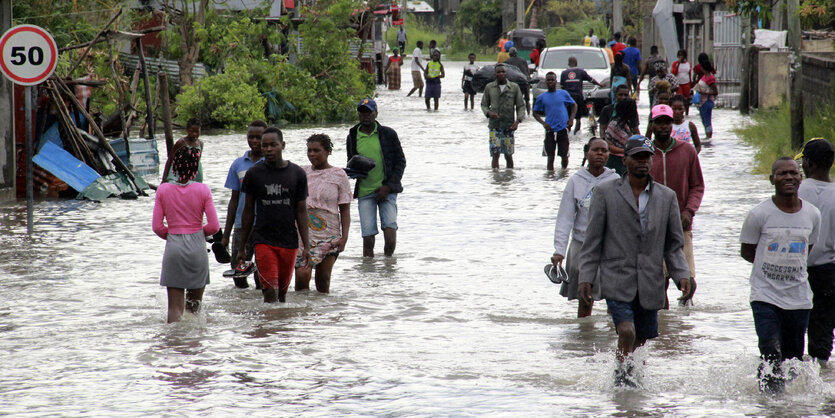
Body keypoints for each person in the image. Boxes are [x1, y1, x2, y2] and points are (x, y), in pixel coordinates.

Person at [578, 135, 692, 387]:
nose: (643, 163)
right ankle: (622, 376)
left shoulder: (667, 197)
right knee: (626, 331)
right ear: (625, 160)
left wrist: (682, 275)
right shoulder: (605, 192)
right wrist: (585, 277)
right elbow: (592, 240)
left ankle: (631, 381)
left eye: (647, 157)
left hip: (650, 280)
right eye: (637, 157)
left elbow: (673, 245)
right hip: (617, 278)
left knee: (642, 339)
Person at [740, 157, 821, 394]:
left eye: (793, 173)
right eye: (782, 173)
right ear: (772, 179)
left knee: (793, 357)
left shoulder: (813, 214)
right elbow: (747, 251)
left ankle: (786, 404)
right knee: (769, 349)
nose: (788, 177)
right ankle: (770, 401)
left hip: (798, 297)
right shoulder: (758, 214)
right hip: (765, 295)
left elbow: (808, 249)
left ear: (801, 178)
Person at [237, 126, 312, 303]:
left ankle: (279, 329)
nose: (269, 149)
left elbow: (301, 210)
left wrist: (306, 246)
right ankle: (267, 328)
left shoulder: (297, 173)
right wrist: (242, 247)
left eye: (273, 145)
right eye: (265, 146)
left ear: (283, 145)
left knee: (283, 295)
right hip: (263, 239)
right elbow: (248, 210)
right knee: (270, 291)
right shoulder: (254, 174)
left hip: (289, 241)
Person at [552, 137, 618, 317]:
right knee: (584, 297)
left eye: (604, 151)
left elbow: (623, 218)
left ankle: (614, 338)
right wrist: (559, 250)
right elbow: (565, 217)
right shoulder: (576, 181)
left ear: (608, 155)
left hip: (609, 248)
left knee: (615, 299)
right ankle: (584, 338)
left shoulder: (616, 180)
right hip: (581, 246)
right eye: (595, 150)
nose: (599, 154)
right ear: (587, 154)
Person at [152, 146, 219, 323]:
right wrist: (196, 233)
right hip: (197, 247)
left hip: (174, 246)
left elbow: (158, 227)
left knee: (174, 308)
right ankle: (195, 344)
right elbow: (214, 226)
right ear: (196, 168)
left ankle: (174, 344)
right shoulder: (203, 190)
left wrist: (174, 236)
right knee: (194, 307)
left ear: (174, 167)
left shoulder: (163, 190)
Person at [649, 104, 704, 308]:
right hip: (652, 227)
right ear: (652, 125)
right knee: (658, 282)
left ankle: (684, 327)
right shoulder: (645, 153)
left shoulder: (687, 151)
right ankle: (662, 328)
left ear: (672, 124)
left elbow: (697, 186)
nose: (663, 126)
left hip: (681, 225)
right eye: (659, 122)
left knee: (688, 281)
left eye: (667, 122)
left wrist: (689, 211)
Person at [347, 98, 406, 258]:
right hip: (365, 192)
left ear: (376, 114)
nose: (366, 116)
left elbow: (400, 162)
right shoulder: (352, 135)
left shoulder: (388, 134)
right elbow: (351, 162)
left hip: (387, 191)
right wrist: (353, 171)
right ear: (358, 115)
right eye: (362, 112)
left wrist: (388, 186)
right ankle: (368, 275)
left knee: (390, 237)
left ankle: (388, 266)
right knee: (368, 240)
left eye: (369, 112)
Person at [295, 134, 352, 293]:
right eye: (309, 150)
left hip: (330, 233)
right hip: (304, 233)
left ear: (327, 151)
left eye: (316, 150)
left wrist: (344, 237)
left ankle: (324, 314)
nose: (312, 154)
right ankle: (300, 313)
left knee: (323, 279)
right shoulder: (301, 172)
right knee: (302, 275)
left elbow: (345, 209)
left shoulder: (339, 175)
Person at [796, 138, 835, 366]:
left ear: (808, 164)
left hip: (796, 269)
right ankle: (822, 384)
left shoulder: (796, 191)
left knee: (793, 327)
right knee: (822, 333)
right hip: (829, 273)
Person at [222, 120, 266, 289]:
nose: (254, 141)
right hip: (242, 225)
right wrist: (226, 235)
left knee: (262, 275)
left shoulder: (269, 163)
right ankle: (242, 307)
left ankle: (261, 307)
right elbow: (234, 200)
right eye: (251, 137)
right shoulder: (239, 164)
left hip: (264, 225)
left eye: (258, 137)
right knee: (238, 270)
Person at [481, 64, 526, 170]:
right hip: (494, 126)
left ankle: (509, 177)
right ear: (495, 74)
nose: (501, 74)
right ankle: (495, 178)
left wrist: (518, 121)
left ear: (506, 73)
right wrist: (488, 113)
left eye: (503, 72)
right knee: (495, 154)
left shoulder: (514, 87)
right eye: (498, 72)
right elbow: (484, 105)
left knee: (508, 155)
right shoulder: (489, 87)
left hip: (509, 126)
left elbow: (521, 106)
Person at [533, 72, 577, 171]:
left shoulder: (563, 93)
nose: (550, 82)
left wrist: (571, 119)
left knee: (564, 157)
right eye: (548, 80)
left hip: (563, 129)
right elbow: (535, 112)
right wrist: (543, 123)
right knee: (550, 158)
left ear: (556, 81)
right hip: (550, 130)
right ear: (545, 82)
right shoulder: (542, 97)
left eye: (552, 80)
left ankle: (563, 175)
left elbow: (574, 105)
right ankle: (550, 180)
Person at [598, 91, 640, 175]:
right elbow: (609, 146)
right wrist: (626, 151)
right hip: (614, 161)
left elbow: (638, 137)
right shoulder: (614, 125)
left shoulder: (628, 125)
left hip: (627, 160)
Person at [560, 56, 602, 135]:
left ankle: (568, 133)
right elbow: (591, 80)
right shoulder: (581, 71)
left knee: (568, 117)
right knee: (578, 118)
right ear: (576, 63)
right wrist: (600, 85)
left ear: (568, 64)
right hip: (578, 97)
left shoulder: (564, 73)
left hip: (567, 98)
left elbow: (562, 88)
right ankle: (576, 134)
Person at [162, 118, 204, 184]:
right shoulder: (181, 142)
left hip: (195, 172)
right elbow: (170, 159)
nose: (194, 134)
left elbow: (198, 160)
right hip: (180, 172)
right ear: (187, 130)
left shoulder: (200, 143)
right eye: (191, 131)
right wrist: (164, 179)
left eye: (197, 132)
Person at [693, 55, 718, 139]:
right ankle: (707, 137)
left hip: (707, 102)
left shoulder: (710, 78)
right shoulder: (704, 76)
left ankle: (709, 138)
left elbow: (715, 92)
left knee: (707, 122)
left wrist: (703, 92)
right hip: (701, 102)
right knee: (704, 122)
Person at [505, 47, 531, 114]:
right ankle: (528, 115)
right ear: (516, 53)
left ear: (509, 54)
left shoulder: (506, 62)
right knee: (527, 100)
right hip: (524, 82)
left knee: (512, 101)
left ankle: (515, 115)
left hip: (513, 84)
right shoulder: (523, 60)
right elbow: (527, 72)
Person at [672, 49, 692, 115]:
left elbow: (689, 73)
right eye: (679, 55)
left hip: (686, 83)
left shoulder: (688, 64)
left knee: (686, 99)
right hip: (678, 83)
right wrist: (678, 64)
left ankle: (687, 113)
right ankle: (679, 112)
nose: (681, 57)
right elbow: (674, 73)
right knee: (679, 97)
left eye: (682, 55)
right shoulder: (675, 63)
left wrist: (690, 83)